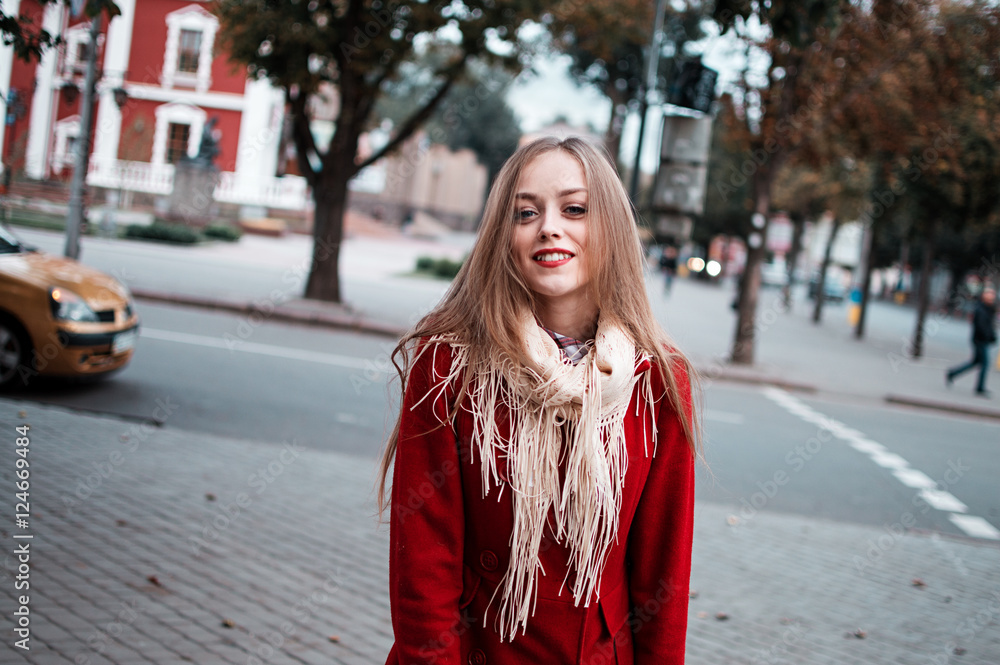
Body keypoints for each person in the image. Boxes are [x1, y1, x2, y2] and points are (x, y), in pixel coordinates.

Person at [377, 136, 700, 665]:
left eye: (575, 209)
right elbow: (423, 568)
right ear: (503, 235)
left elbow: (662, 581)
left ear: (612, 228)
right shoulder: (449, 364)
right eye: (526, 212)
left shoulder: (658, 380)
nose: (549, 226)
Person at [946, 287, 997, 397]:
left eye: (993, 294)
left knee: (975, 362)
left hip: (982, 340)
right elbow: (982, 327)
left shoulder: (988, 308)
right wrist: (989, 336)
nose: (992, 296)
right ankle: (980, 388)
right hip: (980, 340)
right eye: (989, 294)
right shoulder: (980, 309)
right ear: (983, 296)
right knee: (985, 364)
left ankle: (952, 373)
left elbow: (989, 325)